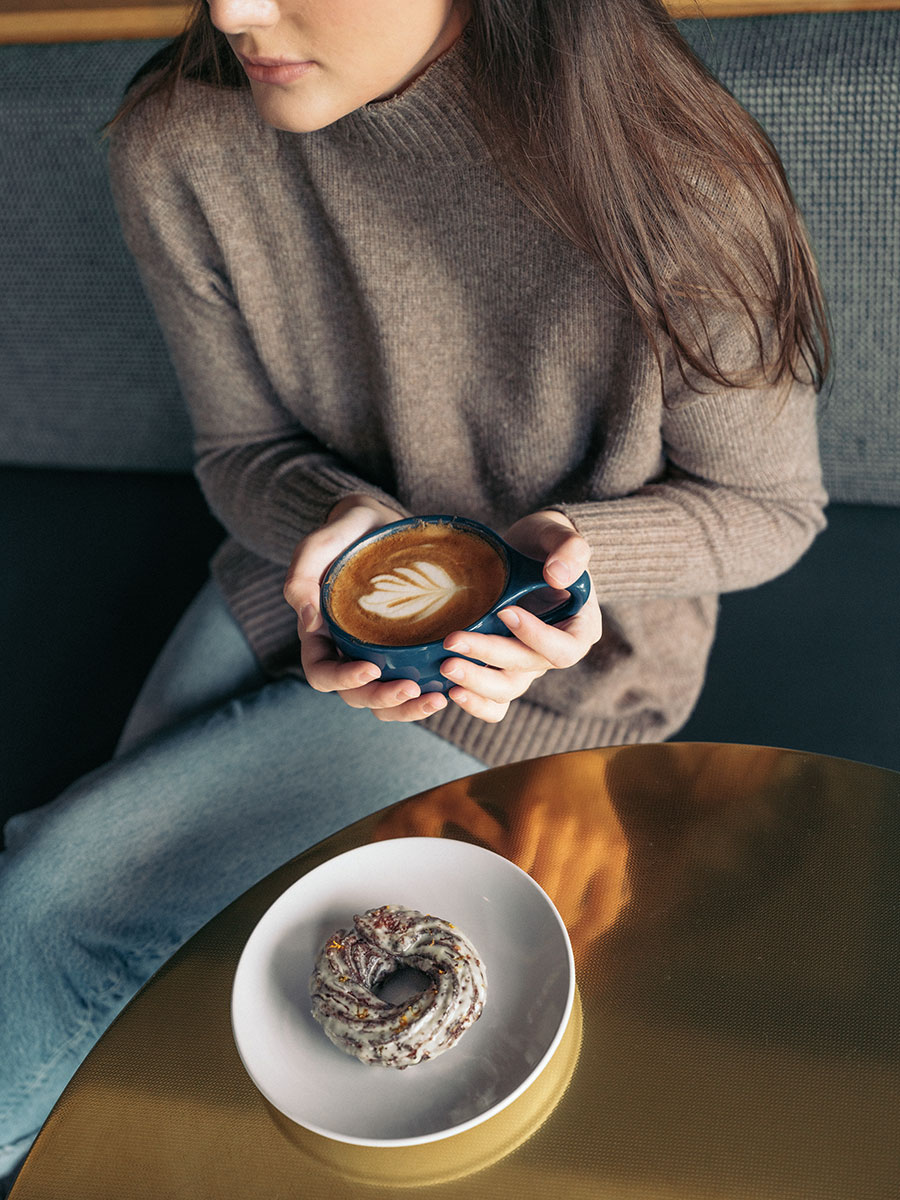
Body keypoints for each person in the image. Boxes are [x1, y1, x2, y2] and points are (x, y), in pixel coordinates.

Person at [0, 0, 830, 1183]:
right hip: (272, 594)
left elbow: (772, 509)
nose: (233, 11)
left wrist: (568, 548)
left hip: (543, 677)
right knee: (105, 954)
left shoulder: (677, 188)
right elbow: (238, 454)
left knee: (50, 917)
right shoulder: (179, 145)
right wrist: (341, 534)